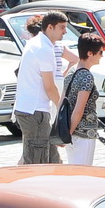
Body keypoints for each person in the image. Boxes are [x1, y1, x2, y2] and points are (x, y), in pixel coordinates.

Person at [15, 12, 66, 164]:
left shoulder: (36, 42)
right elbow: (49, 86)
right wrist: (63, 109)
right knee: (37, 162)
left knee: (52, 159)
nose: (65, 31)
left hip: (31, 108)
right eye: (62, 27)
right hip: (34, 111)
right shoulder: (43, 48)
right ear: (50, 27)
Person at [61, 33, 105, 166]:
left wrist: (63, 132)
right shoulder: (86, 76)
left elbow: (61, 102)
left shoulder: (71, 71)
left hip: (71, 131)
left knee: (73, 170)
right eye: (100, 52)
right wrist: (67, 135)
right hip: (83, 134)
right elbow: (79, 109)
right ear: (90, 53)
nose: (102, 55)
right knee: (83, 173)